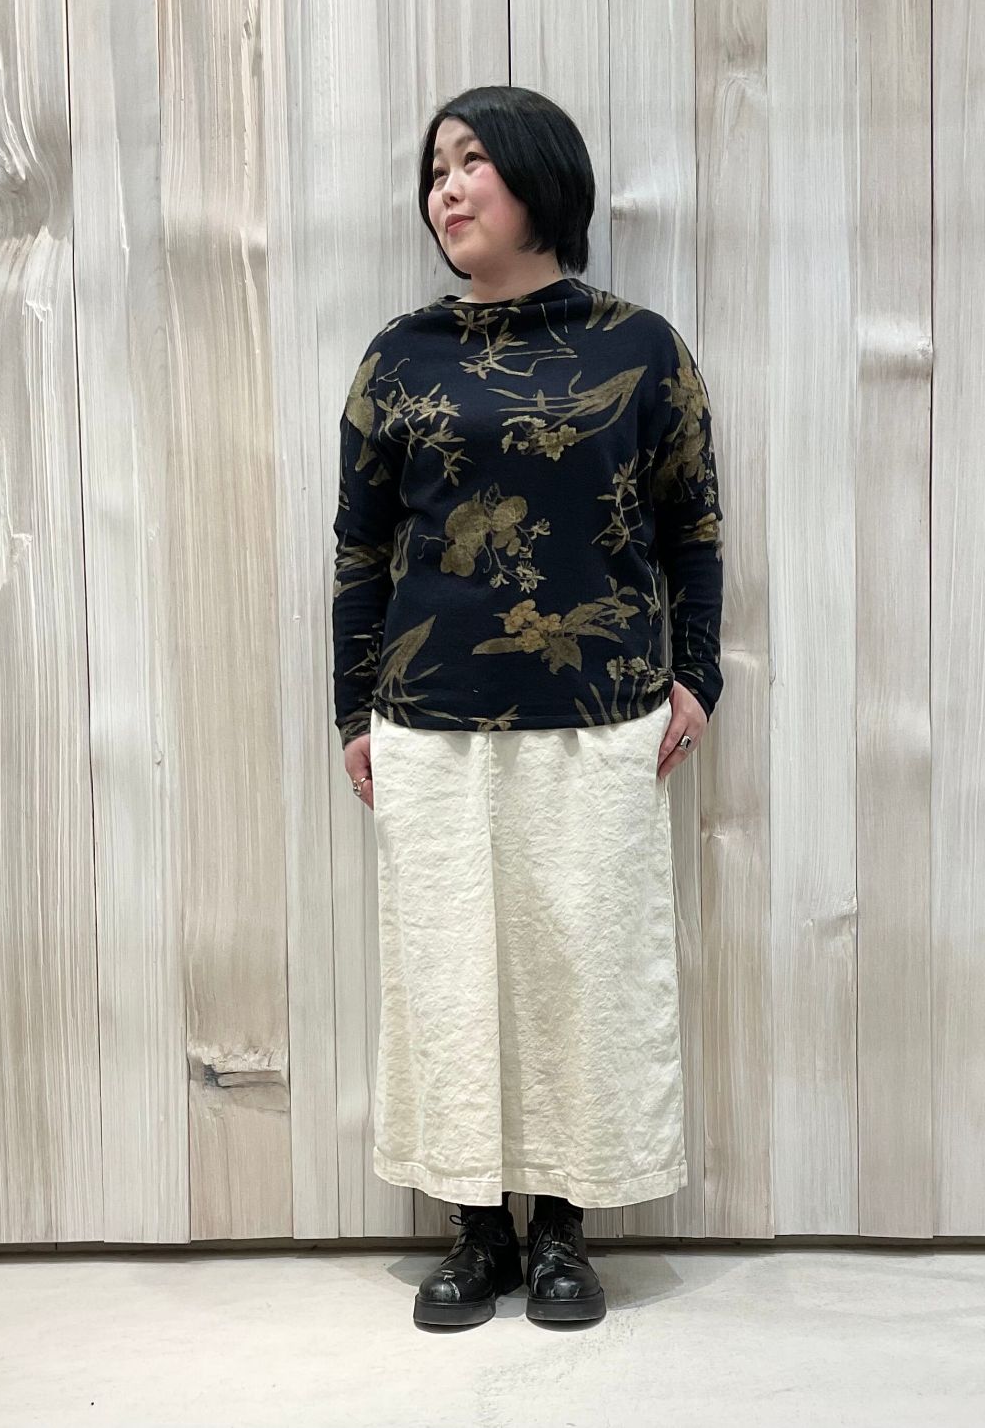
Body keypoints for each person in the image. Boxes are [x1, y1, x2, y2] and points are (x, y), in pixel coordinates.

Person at [331, 84, 724, 1328]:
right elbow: (360, 545)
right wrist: (352, 710)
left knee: (579, 972)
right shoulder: (400, 356)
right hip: (430, 717)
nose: (445, 189)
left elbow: (690, 524)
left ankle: (561, 1230)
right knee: (449, 973)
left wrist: (696, 674)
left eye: (471, 162)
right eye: (433, 169)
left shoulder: (640, 348)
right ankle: (473, 1231)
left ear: (540, 176)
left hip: (599, 716)